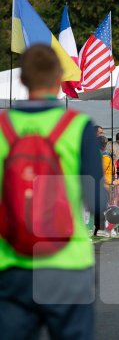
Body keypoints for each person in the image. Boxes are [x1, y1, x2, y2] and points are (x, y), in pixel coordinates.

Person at [0, 45, 106, 339]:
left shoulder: (2, 127)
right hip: (66, 262)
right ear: (60, 77)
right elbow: (96, 200)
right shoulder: (78, 126)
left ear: (22, 79)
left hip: (11, 262)